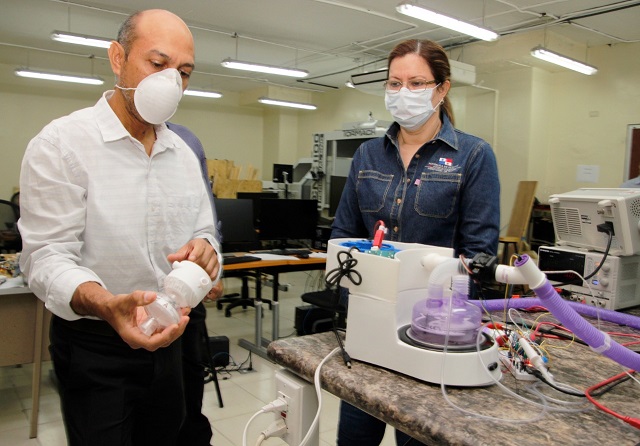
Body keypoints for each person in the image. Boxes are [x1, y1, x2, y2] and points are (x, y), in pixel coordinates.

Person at [18, 10, 222, 446]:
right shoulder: (61, 145)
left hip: (175, 338)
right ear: (117, 58)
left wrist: (207, 253)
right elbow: (45, 257)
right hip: (97, 344)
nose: (171, 82)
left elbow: (206, 234)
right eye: (157, 64)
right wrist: (110, 304)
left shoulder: (182, 153)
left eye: (183, 72)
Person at [331, 39, 500, 446]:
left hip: (434, 333)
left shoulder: (474, 156)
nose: (403, 93)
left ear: (441, 89)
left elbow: (480, 253)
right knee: (355, 436)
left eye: (416, 82)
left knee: (418, 437)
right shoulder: (368, 156)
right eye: (394, 83)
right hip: (369, 326)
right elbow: (343, 235)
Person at [167, 121, 223, 446]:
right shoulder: (77, 139)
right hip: (125, 311)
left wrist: (214, 268)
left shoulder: (187, 141)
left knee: (188, 398)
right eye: (158, 65)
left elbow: (207, 220)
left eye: (185, 71)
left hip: (186, 295)